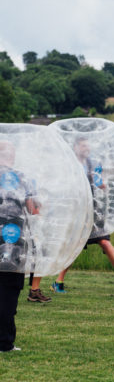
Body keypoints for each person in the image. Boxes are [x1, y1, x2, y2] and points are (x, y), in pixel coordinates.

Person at [51, 137, 114, 294]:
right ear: (75, 147)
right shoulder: (70, 165)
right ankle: (58, 281)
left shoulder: (93, 164)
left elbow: (98, 182)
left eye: (87, 146)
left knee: (104, 242)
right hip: (77, 210)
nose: (86, 148)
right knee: (75, 246)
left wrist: (102, 185)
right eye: (83, 146)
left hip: (94, 210)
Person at [0, 141, 42, 351]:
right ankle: (4, 341)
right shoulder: (22, 178)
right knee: (9, 287)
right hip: (14, 238)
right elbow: (34, 210)